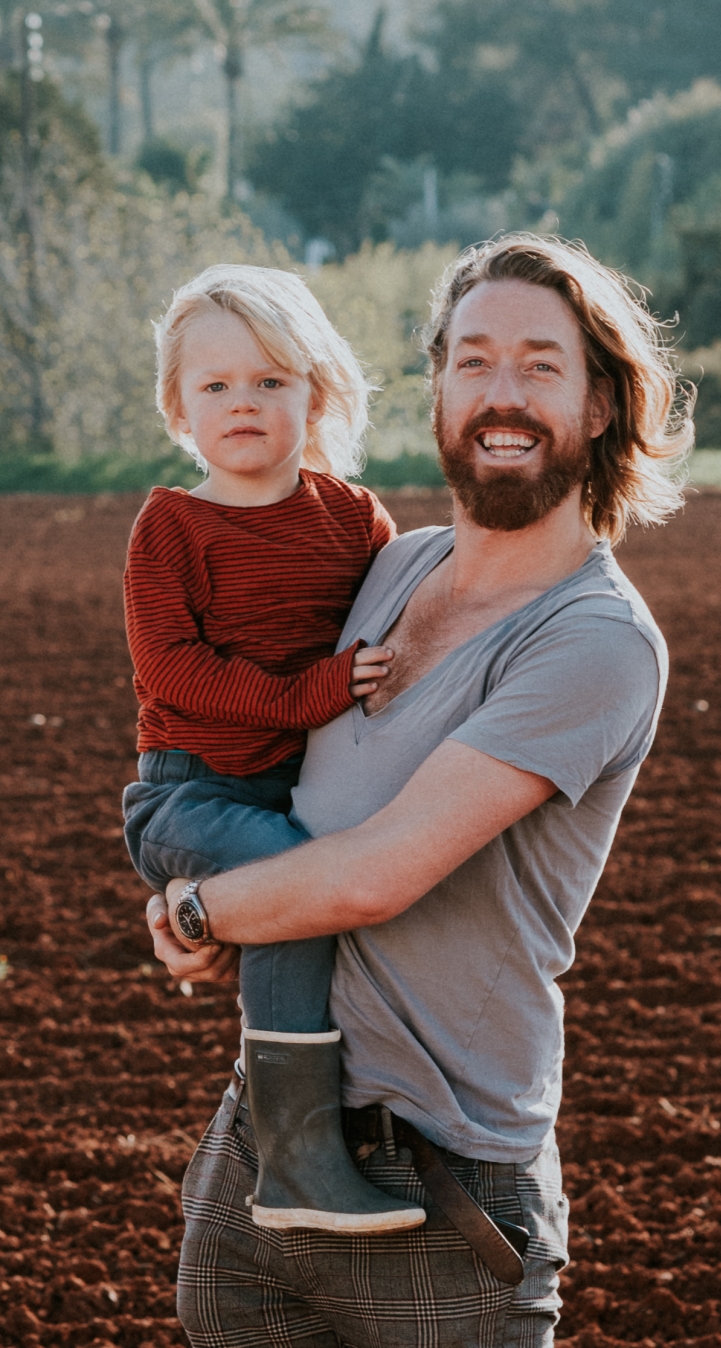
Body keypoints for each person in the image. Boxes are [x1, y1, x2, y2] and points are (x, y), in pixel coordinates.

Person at [149, 234, 694, 1348]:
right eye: (475, 360)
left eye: (542, 365)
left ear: (600, 407)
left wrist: (202, 907)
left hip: (440, 1197)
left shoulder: (592, 640)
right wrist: (185, 860)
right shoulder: (391, 567)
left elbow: (378, 871)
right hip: (258, 1151)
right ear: (438, 386)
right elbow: (246, 730)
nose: (504, 394)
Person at [122, 263, 426, 1233]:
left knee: (352, 886)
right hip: (191, 796)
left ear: (317, 391)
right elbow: (176, 671)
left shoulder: (352, 520)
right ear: (179, 405)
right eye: (214, 386)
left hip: (303, 793)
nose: (241, 403)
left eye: (268, 381)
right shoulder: (170, 527)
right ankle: (296, 1161)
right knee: (302, 886)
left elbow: (391, 645)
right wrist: (311, 695)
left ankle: (363, 1125)